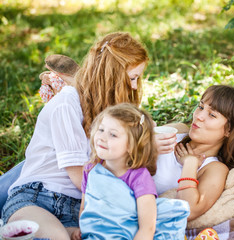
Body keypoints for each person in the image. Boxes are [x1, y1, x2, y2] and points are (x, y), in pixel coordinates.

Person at [1, 31, 150, 239]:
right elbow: (81, 178)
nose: (134, 86)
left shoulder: (106, 113)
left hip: (77, 209)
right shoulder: (66, 104)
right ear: (112, 76)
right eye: (132, 78)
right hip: (37, 198)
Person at [153, 84, 234, 220]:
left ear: (229, 130)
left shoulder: (214, 169)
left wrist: (190, 164)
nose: (199, 116)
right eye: (201, 107)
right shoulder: (177, 131)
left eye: (212, 115)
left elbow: (189, 210)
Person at [72, 103, 158, 240]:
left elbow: (147, 227)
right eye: (101, 130)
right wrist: (82, 229)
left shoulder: (139, 177)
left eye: (113, 134)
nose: (102, 137)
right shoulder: (91, 169)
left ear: (131, 145)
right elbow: (85, 208)